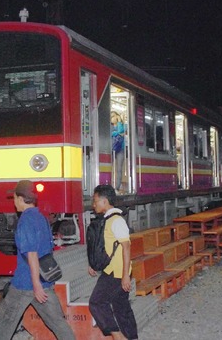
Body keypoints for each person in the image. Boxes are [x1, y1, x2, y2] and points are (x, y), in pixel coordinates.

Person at [0, 181, 74, 340]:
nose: (13, 202)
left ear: (21, 199)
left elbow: (32, 254)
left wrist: (36, 285)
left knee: (3, 324)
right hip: (45, 281)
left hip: (25, 283)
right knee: (58, 324)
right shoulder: (41, 217)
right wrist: (40, 285)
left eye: (14, 198)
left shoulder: (25, 221)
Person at [88, 185, 138, 340]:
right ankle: (131, 337)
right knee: (121, 307)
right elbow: (104, 246)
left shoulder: (117, 221)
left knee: (96, 303)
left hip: (116, 273)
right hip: (112, 270)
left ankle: (117, 336)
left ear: (104, 201)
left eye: (96, 201)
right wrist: (93, 264)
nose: (93, 204)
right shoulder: (108, 220)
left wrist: (125, 276)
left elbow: (126, 248)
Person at [111, 112, 126, 192]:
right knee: (109, 167)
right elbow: (112, 133)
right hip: (112, 148)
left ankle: (117, 187)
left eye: (113, 116)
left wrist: (120, 121)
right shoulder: (110, 126)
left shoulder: (123, 125)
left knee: (119, 169)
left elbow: (122, 130)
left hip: (120, 149)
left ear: (117, 117)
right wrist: (119, 133)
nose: (111, 118)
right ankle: (110, 185)